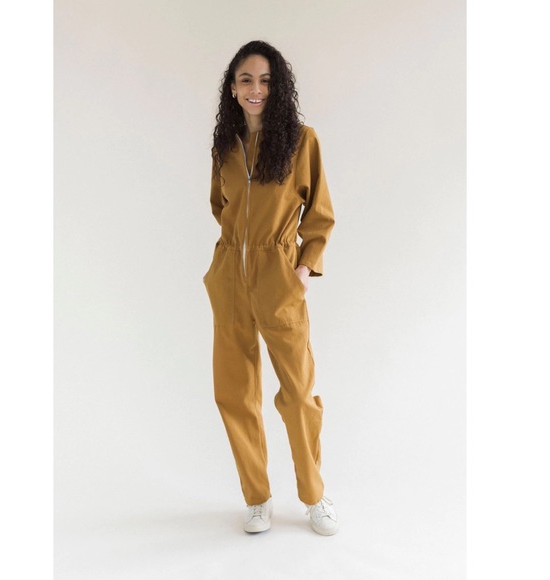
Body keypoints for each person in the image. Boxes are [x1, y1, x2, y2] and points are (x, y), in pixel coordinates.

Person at [203, 40, 338, 536]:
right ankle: (257, 498)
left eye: (264, 80)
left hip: (279, 280)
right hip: (230, 282)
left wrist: (299, 271)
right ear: (232, 88)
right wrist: (234, 257)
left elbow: (319, 217)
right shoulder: (225, 147)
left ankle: (314, 496)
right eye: (246, 80)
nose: (255, 89)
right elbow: (220, 207)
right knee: (234, 394)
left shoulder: (302, 141)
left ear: (277, 87)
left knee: (298, 394)